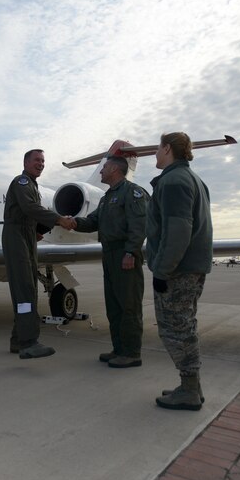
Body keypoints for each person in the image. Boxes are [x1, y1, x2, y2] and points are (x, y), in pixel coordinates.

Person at [147, 132, 213, 410]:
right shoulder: (193, 179)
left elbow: (178, 231)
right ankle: (192, 386)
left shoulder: (174, 181)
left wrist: (162, 271)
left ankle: (188, 390)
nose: (155, 154)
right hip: (189, 267)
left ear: (167, 149)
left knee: (175, 329)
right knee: (185, 325)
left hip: (177, 270)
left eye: (158, 149)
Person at [73, 151, 149, 368]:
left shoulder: (132, 193)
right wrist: (72, 223)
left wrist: (131, 252)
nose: (102, 171)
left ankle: (132, 353)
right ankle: (119, 349)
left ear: (115, 169)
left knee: (129, 306)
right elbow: (92, 221)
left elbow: (139, 226)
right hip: (109, 254)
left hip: (124, 254)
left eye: (105, 167)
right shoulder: (108, 198)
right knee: (114, 306)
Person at [3, 149, 76, 359]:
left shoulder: (33, 186)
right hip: (16, 236)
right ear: (25, 162)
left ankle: (18, 339)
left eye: (43, 161)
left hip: (25, 235)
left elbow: (31, 212)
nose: (41, 164)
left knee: (28, 288)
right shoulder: (22, 182)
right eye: (37, 160)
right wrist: (59, 220)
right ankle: (28, 342)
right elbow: (30, 208)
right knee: (25, 290)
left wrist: (37, 230)